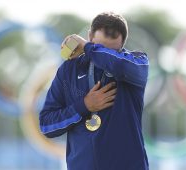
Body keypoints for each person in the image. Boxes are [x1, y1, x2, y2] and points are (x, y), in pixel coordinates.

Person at [39, 12, 149, 170]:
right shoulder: (68, 70)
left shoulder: (137, 63)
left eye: (112, 51)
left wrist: (88, 47)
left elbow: (118, 65)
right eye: (100, 46)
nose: (102, 55)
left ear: (122, 45)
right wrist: (84, 106)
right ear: (90, 35)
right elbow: (47, 125)